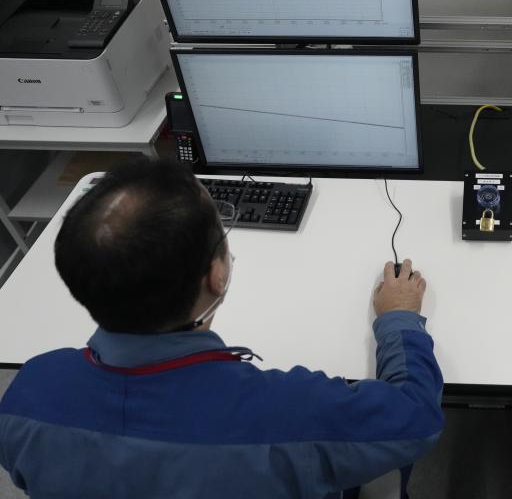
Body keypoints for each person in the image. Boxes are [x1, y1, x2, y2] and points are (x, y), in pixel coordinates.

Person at [0, 158, 443, 498]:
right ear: (218, 274)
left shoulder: (27, 395)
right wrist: (398, 317)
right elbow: (417, 417)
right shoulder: (289, 410)